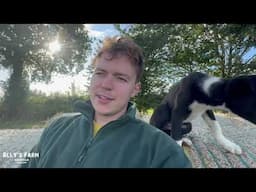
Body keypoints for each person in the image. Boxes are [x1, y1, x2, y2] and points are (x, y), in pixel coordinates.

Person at [21, 36, 192, 168]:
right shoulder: (56, 128)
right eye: (100, 73)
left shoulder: (162, 151)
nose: (105, 84)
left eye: (120, 78)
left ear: (135, 89)